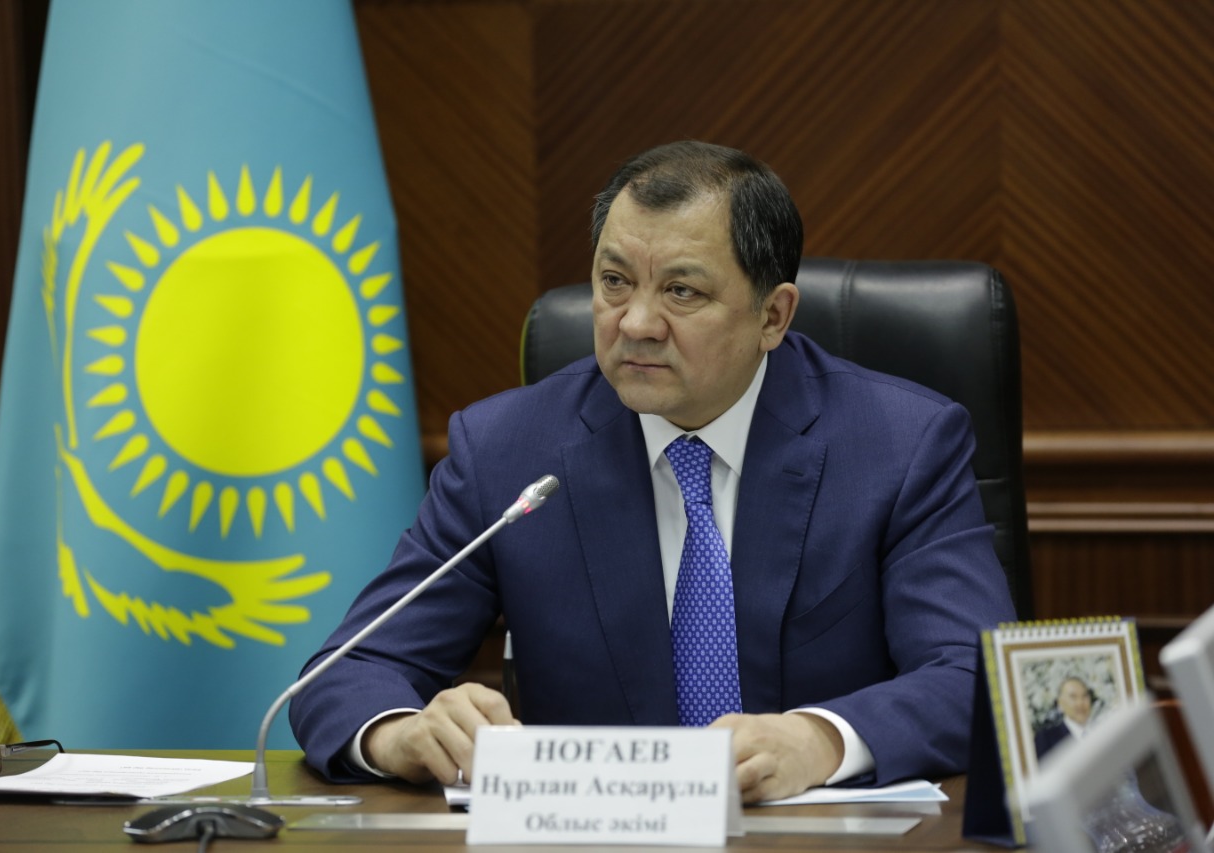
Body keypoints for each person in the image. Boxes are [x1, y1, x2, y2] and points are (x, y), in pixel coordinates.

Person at [289, 140, 1016, 802]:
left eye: (681, 291)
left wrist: (821, 739)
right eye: (614, 281)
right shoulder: (506, 451)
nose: (635, 323)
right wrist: (401, 733)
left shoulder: (900, 445)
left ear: (773, 316)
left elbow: (978, 678)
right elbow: (345, 674)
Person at [1034, 676, 1095, 758]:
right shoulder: (1046, 738)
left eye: (1084, 696)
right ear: (1060, 703)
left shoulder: (1101, 730)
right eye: (1073, 697)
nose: (1080, 703)